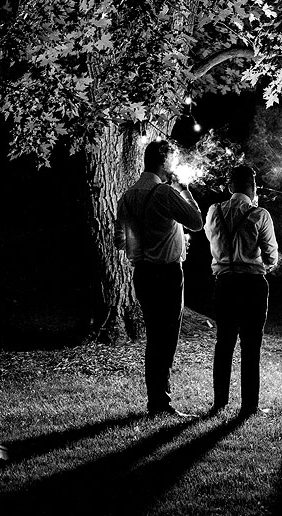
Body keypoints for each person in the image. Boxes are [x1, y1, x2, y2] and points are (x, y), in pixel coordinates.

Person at [115, 138, 204, 416]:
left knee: (155, 337)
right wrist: (186, 189)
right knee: (166, 339)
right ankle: (160, 404)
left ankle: (157, 401)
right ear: (164, 161)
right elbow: (196, 222)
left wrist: (154, 240)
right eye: (173, 160)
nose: (176, 165)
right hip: (166, 274)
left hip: (142, 273)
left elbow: (120, 240)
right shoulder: (166, 193)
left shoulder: (127, 195)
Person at [204, 164, 279, 416]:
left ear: (229, 187)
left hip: (224, 283)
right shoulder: (260, 215)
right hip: (252, 285)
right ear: (254, 187)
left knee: (223, 343)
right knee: (251, 346)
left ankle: (219, 402)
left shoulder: (214, 211)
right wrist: (264, 263)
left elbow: (211, 239)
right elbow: (271, 256)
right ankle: (249, 405)